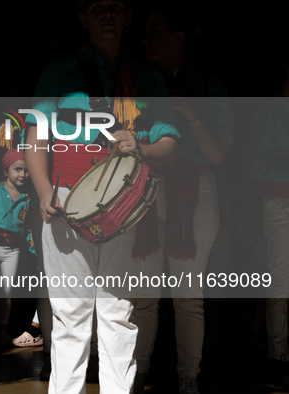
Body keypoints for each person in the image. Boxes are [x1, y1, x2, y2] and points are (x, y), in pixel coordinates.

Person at [24, 0, 180, 392]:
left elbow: (171, 146)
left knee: (117, 312)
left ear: (129, 17)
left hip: (123, 206)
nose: (107, 15)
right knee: (70, 316)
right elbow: (36, 136)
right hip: (63, 202)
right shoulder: (60, 73)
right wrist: (43, 190)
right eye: (98, 8)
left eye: (116, 7)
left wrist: (142, 149)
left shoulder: (147, 78)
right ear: (83, 18)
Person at [134, 7, 233, 393]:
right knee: (143, 297)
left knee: (187, 297)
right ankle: (135, 373)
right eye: (144, 32)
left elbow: (218, 155)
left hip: (194, 193)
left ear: (179, 38)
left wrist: (191, 117)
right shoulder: (140, 82)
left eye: (155, 31)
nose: (146, 40)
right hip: (146, 188)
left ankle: (188, 377)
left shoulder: (208, 87)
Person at [248, 51, 289, 390]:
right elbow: (257, 166)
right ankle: (278, 356)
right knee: (280, 281)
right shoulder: (269, 113)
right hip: (278, 203)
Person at [0, 148, 33, 347]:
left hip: (14, 250)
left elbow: (27, 229)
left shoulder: (27, 198)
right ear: (6, 171)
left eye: (26, 171)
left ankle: (2, 331)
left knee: (7, 292)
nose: (23, 174)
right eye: (18, 169)